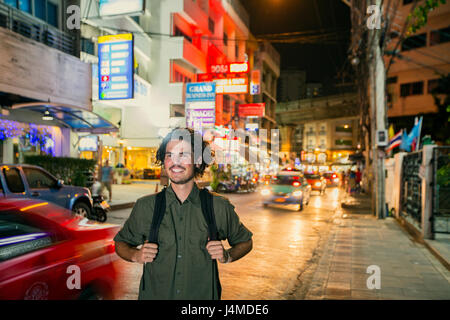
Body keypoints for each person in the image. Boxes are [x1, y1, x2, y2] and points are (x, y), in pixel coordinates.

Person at [114, 128, 253, 300]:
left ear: (198, 160)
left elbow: (245, 242)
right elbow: (121, 243)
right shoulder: (146, 206)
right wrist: (136, 255)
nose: (175, 162)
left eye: (183, 155)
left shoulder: (218, 207)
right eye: (169, 155)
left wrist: (227, 256)